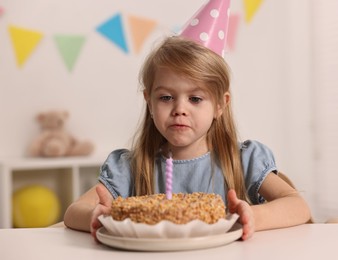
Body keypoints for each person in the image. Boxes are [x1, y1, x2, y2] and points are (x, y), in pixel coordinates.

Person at [64, 36, 311, 241]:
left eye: (195, 99)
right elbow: (74, 211)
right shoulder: (130, 167)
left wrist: (253, 216)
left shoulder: (244, 159)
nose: (180, 109)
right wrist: (101, 216)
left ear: (219, 105)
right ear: (149, 102)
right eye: (166, 98)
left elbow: (298, 206)